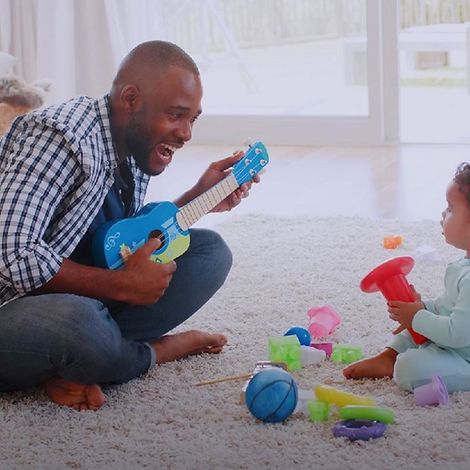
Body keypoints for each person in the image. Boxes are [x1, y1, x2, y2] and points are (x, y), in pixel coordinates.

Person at [0, 40, 260, 411]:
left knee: (209, 253)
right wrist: (120, 285)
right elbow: (13, 251)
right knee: (81, 324)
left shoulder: (134, 145)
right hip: (10, 305)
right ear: (131, 99)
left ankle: (81, 362)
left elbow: (117, 239)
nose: (186, 133)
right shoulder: (58, 136)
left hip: (73, 297)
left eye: (193, 119)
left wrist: (197, 198)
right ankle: (151, 353)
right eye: (175, 115)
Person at [343, 163, 470, 393]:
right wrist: (422, 308)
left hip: (465, 360)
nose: (443, 213)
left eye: (450, 208)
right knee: (409, 334)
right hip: (452, 345)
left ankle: (396, 365)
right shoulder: (462, 266)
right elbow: (448, 308)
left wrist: (419, 317)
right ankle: (387, 357)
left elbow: (458, 332)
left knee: (409, 369)